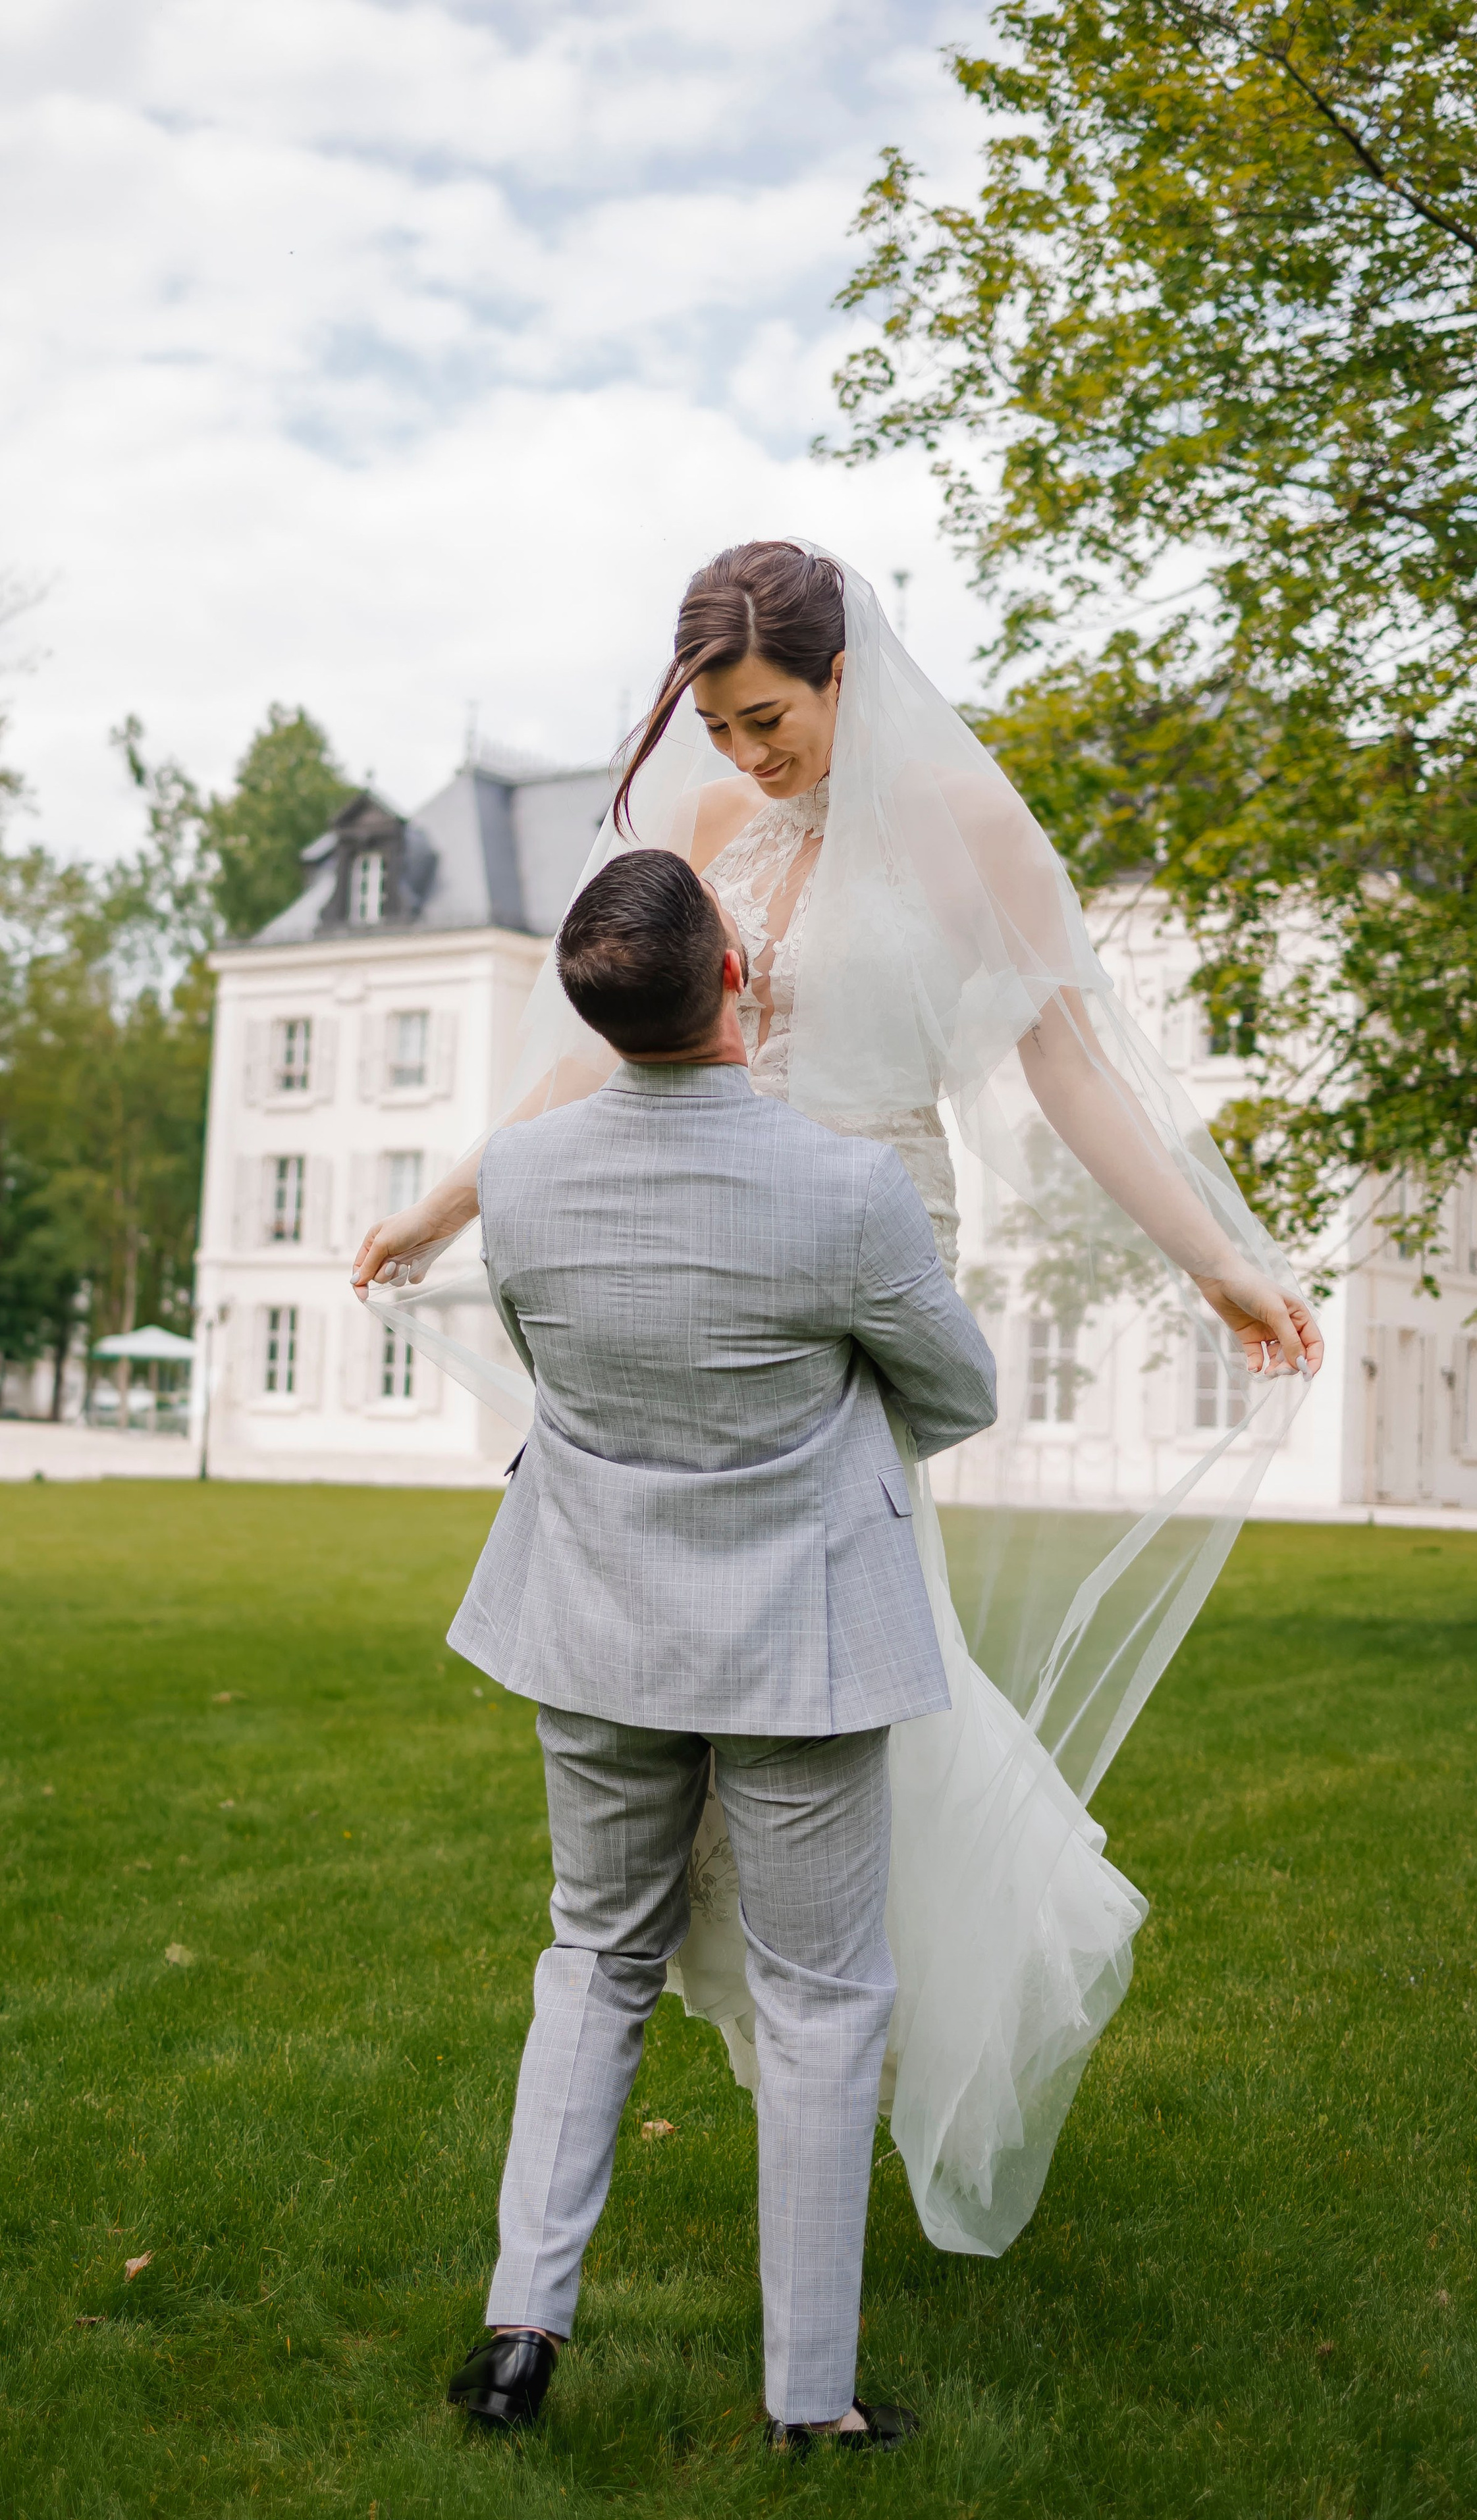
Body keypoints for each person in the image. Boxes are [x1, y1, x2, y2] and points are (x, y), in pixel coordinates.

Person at [353, 541, 1322, 2267]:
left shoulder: (968, 837)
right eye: (719, 730)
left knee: (861, 1677)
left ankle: (904, 1983)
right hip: (704, 1243)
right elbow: (601, 1043)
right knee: (724, 1701)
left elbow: (1072, 1064)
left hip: (863, 1265)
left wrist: (1214, 1257)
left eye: (768, 720)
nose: (746, 758)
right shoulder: (716, 833)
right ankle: (762, 2001)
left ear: (842, 679)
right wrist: (452, 1198)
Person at [439, 847, 997, 2444]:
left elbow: (553, 1367)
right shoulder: (845, 1189)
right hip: (801, 1641)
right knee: (821, 2001)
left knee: (591, 1955)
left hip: (592, 1621)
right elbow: (952, 1394)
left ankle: (517, 2334)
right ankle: (805, 2400)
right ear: (735, 981)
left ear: (598, 1013)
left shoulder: (521, 1175)